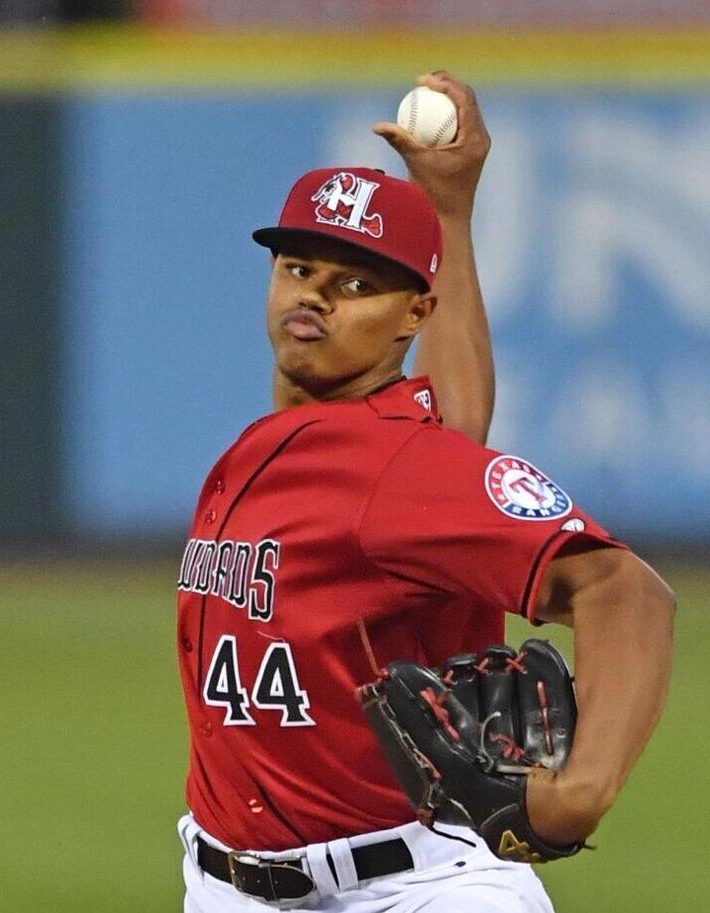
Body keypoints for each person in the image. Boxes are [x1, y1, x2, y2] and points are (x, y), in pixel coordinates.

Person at [174, 72, 675, 912]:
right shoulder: (290, 445)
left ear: (416, 314)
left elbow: (626, 590)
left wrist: (581, 788)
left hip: (415, 888)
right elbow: (454, 427)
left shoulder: (400, 469)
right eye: (300, 267)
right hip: (230, 886)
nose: (317, 295)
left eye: (358, 284)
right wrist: (447, 208)